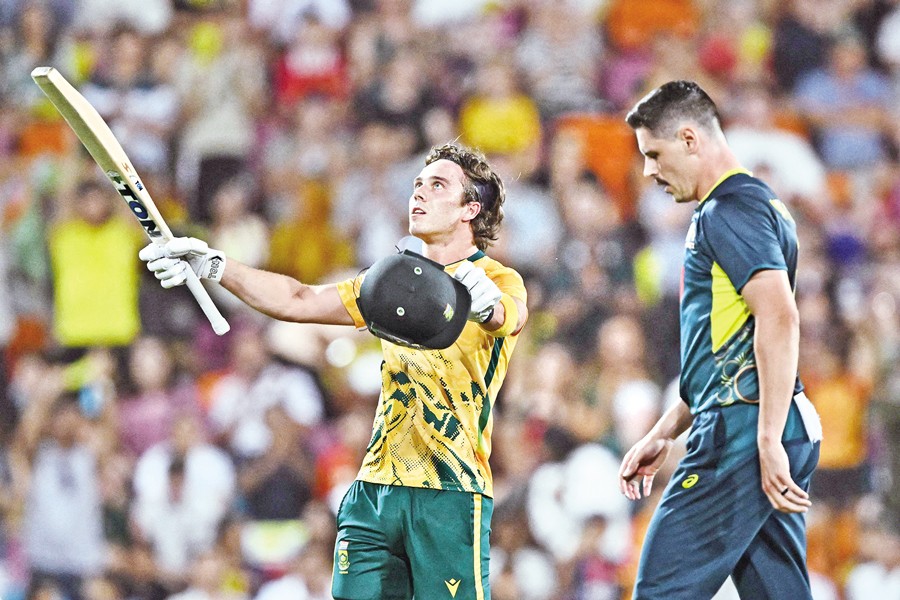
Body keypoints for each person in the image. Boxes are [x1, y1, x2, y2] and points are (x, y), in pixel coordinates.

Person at [139, 142, 528, 600]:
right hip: (375, 489)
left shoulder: (498, 280)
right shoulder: (395, 280)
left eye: (437, 185)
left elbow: (510, 316)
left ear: (470, 209)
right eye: (418, 184)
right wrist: (215, 265)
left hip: (450, 490)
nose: (418, 193)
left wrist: (487, 308)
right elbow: (298, 299)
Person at [617, 80, 822, 599]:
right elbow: (728, 345)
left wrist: (767, 438)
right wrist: (665, 431)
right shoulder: (757, 205)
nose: (649, 171)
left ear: (690, 139)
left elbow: (779, 317)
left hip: (741, 432)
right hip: (762, 422)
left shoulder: (728, 211)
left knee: (661, 591)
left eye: (654, 154)